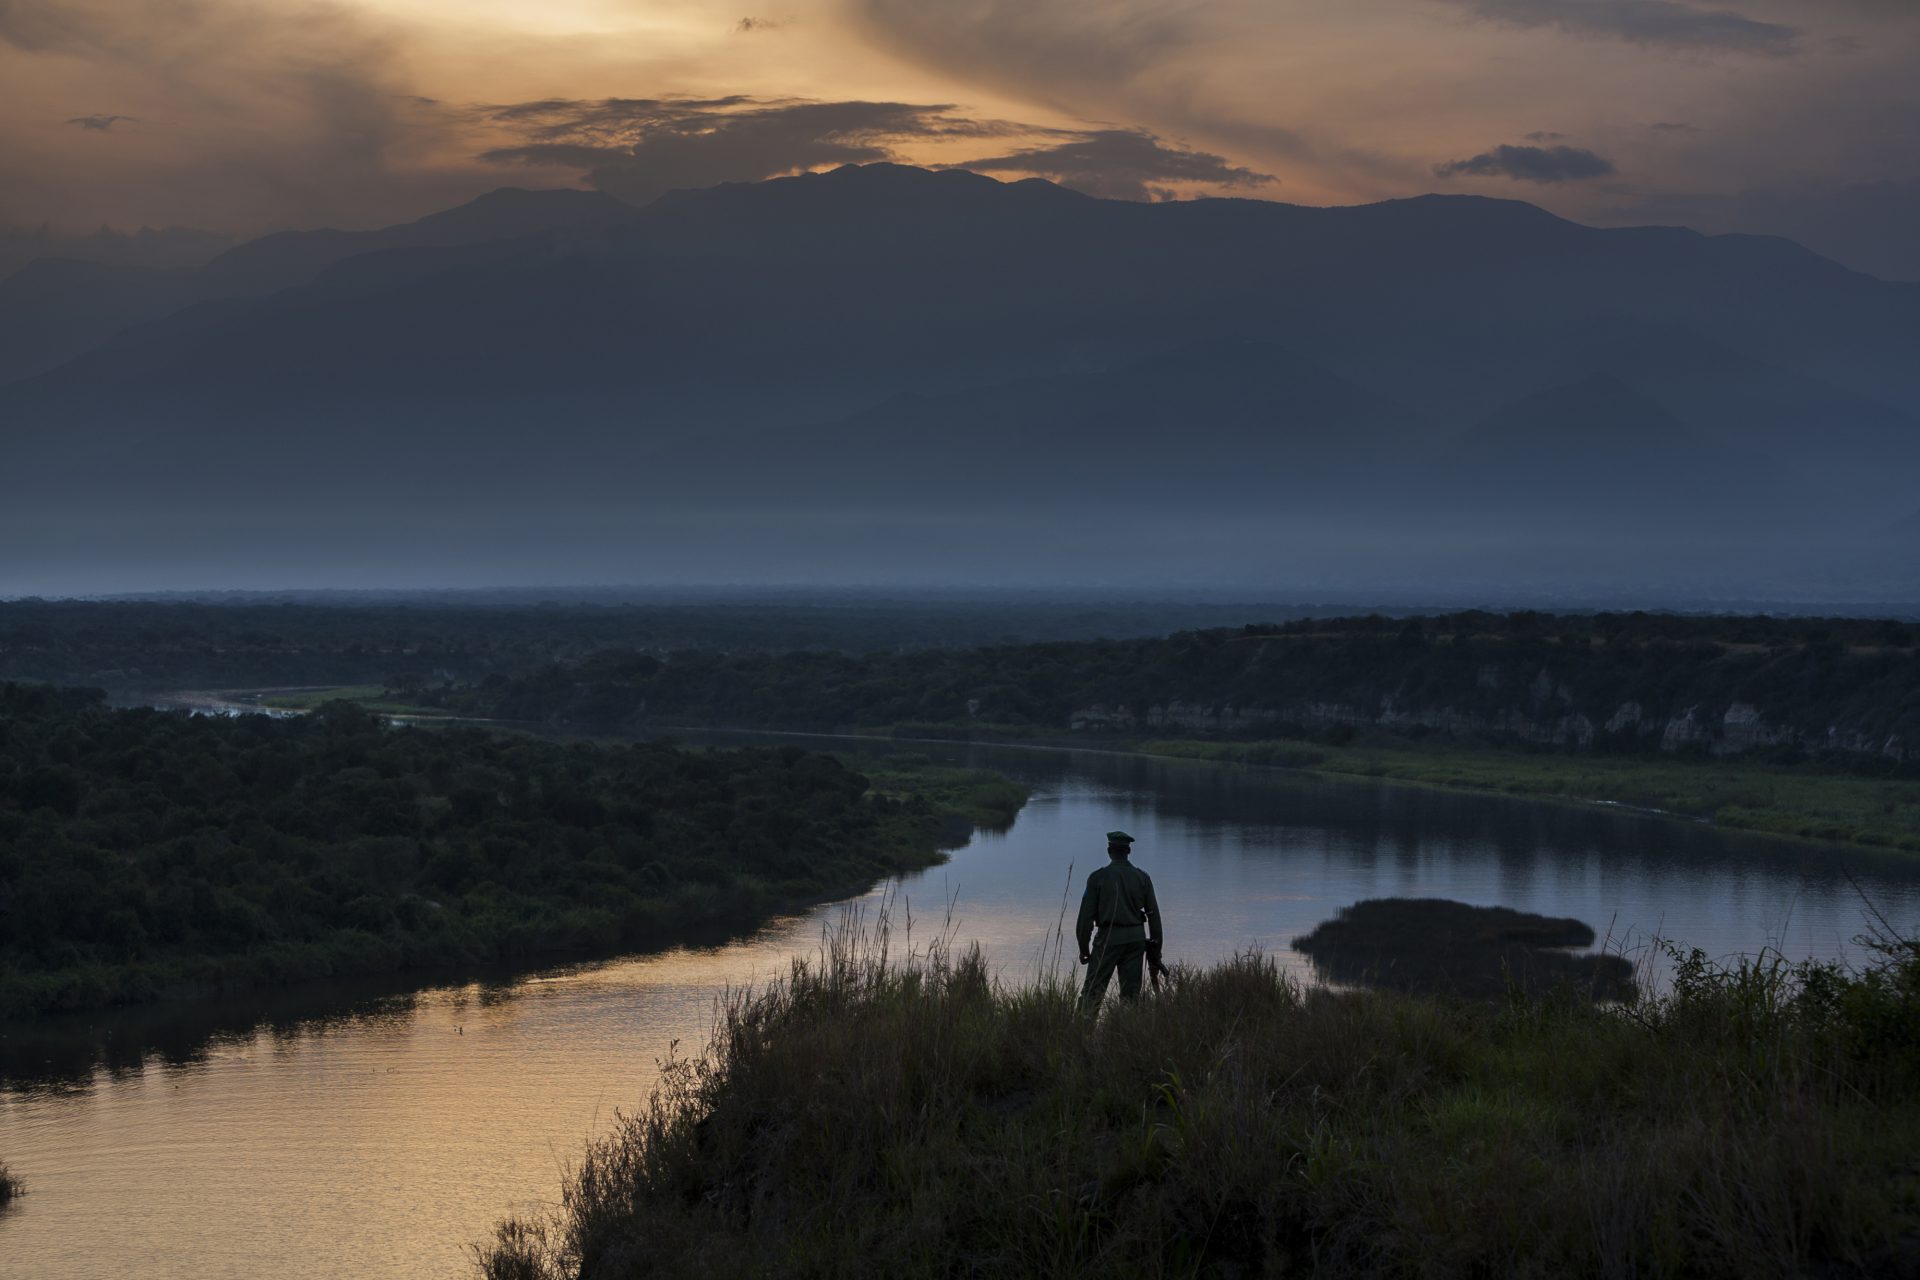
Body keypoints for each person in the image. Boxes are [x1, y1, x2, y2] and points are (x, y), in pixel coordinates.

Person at [1076, 830, 1166, 1009]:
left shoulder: (1097, 878)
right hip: (1135, 940)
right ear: (1128, 852)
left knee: (1092, 994)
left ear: (1109, 850)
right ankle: (1125, 1032)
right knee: (1130, 997)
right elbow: (1154, 918)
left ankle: (1082, 1032)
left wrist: (1084, 949)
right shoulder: (1143, 877)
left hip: (1107, 940)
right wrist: (1156, 952)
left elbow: (1085, 920)